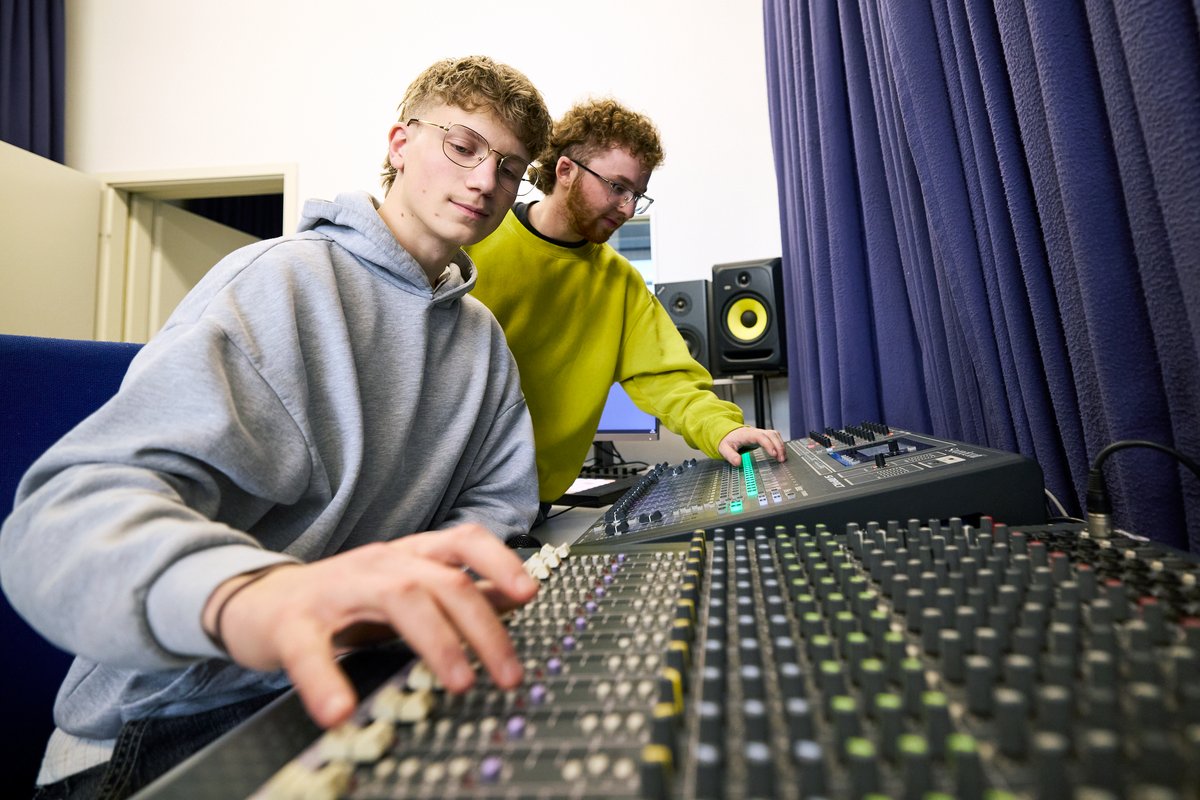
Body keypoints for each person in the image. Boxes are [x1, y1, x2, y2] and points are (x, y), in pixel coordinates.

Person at [0, 55, 553, 799]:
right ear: (399, 143)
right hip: (170, 720)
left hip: (348, 684)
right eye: (463, 147)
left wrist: (406, 599)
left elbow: (496, 506)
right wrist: (253, 596)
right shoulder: (277, 284)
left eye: (510, 168)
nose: (486, 180)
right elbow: (61, 520)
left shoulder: (481, 341)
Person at [465, 98, 787, 512]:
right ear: (565, 170)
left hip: (529, 504)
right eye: (617, 187)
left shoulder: (621, 284)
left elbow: (670, 380)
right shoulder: (475, 240)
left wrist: (721, 429)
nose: (629, 208)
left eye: (638, 195)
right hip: (447, 492)